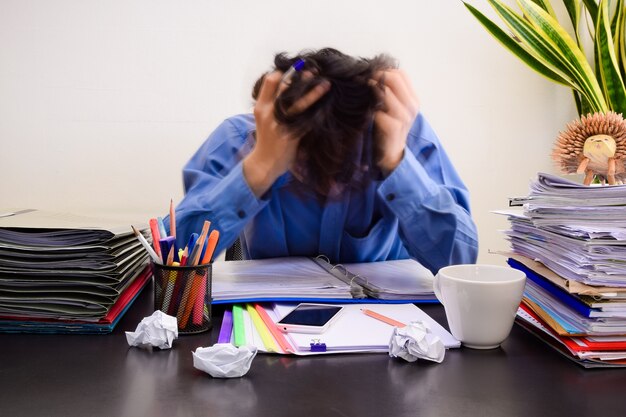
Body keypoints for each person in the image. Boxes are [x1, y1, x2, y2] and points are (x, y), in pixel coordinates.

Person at [173, 48, 478, 274]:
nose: (330, 185)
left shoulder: (406, 135)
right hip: (267, 335)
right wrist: (260, 167)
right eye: (306, 164)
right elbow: (172, 258)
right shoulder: (239, 139)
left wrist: (397, 161)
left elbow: (460, 261)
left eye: (346, 162)